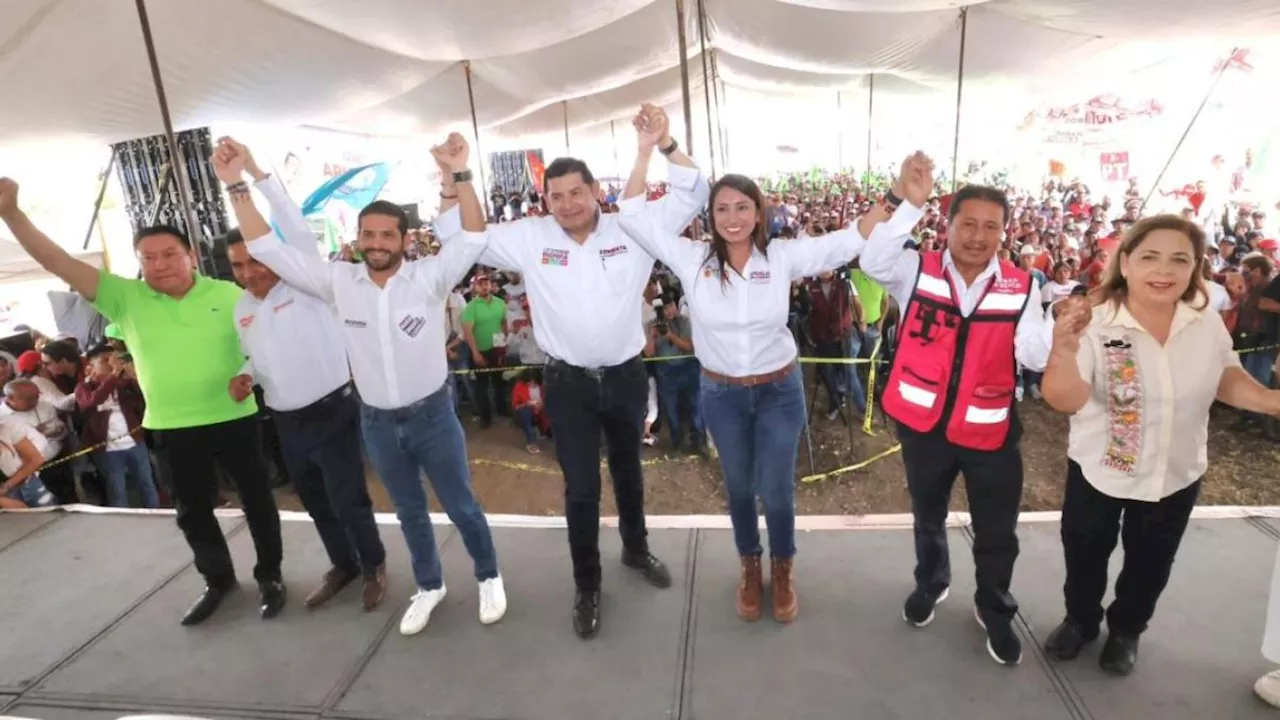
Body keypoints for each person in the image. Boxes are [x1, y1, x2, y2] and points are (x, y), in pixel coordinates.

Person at [619, 114, 931, 623]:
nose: (732, 217)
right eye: (722, 208)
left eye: (743, 207)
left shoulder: (782, 257)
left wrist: (897, 195)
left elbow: (850, 239)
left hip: (778, 392)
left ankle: (783, 569)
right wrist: (648, 148)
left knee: (778, 488)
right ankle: (750, 567)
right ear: (710, 215)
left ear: (759, 212)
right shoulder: (691, 258)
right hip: (721, 395)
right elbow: (632, 214)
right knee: (739, 487)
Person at [432, 103, 707, 640]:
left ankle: (636, 549)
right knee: (580, 488)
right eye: (554, 196)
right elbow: (459, 237)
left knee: (628, 473)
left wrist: (660, 146)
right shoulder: (532, 237)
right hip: (567, 384)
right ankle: (587, 584)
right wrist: (453, 177)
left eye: (575, 193)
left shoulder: (635, 227)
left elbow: (694, 192)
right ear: (546, 200)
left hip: (626, 375)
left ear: (595, 192)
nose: (565, 204)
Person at [232, 133, 507, 636]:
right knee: (408, 511)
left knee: (462, 504)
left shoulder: (430, 278)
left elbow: (472, 236)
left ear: (405, 239)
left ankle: (489, 575)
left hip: (432, 418)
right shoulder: (337, 283)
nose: (377, 243)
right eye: (369, 234)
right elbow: (267, 246)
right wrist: (238, 182)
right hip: (377, 422)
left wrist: (460, 173)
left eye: (387, 235)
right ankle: (430, 585)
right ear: (358, 239)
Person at [0, 176, 285, 626]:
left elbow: (264, 346)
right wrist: (12, 214)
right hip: (170, 425)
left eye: (169, 254)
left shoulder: (231, 295)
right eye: (148, 258)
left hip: (235, 419)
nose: (159, 264)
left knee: (258, 502)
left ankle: (271, 577)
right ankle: (218, 580)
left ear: (190, 254)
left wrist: (248, 375)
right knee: (191, 512)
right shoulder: (126, 298)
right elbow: (57, 261)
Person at [1040, 215, 1280, 676]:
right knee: (1085, 554)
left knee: (1150, 563)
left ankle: (1127, 629)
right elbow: (1064, 398)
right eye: (1150, 256)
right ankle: (1081, 622)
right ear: (1125, 263)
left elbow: (1225, 375)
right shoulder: (1096, 320)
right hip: (1099, 471)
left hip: (1176, 471)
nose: (1163, 269)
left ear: (1195, 268)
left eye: (1180, 259)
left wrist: (1269, 401)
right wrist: (1063, 351)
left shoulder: (1205, 323)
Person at [861, 182, 1054, 666]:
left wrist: (1060, 331)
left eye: (991, 226)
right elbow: (872, 259)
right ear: (946, 226)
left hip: (991, 431)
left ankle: (994, 608)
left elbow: (1033, 354)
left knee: (997, 532)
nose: (977, 236)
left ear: (1004, 233)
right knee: (928, 516)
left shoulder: (1023, 285)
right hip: (923, 428)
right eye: (967, 223)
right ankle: (931, 582)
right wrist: (908, 202)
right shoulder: (915, 269)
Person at [214, 138, 389, 613]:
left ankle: (373, 564)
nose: (249, 273)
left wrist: (250, 172)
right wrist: (245, 375)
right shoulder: (243, 308)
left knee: (349, 498)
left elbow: (290, 220)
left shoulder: (307, 283)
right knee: (314, 500)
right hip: (285, 420)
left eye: (255, 260)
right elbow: (259, 354)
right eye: (238, 267)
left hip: (333, 410)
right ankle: (343, 564)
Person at [75, 343, 158, 508]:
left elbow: (145, 398)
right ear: (90, 367)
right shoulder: (83, 388)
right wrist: (113, 375)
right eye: (105, 361)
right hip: (107, 449)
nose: (112, 364)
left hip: (135, 443)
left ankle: (155, 513)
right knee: (117, 490)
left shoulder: (124, 384)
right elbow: (92, 401)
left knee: (147, 484)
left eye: (114, 360)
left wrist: (132, 375)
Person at [643, 293, 702, 453]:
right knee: (671, 410)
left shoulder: (684, 321)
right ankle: (677, 442)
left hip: (688, 368)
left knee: (695, 406)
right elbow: (648, 354)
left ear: (675, 306)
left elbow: (689, 347)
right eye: (663, 309)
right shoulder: (650, 325)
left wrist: (670, 335)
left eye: (671, 306)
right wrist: (652, 337)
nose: (668, 311)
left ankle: (698, 442)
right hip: (665, 372)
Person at [461, 273, 508, 428]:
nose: (485, 286)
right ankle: (485, 417)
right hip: (480, 350)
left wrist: (503, 344)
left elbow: (503, 323)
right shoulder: (471, 307)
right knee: (481, 386)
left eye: (487, 283)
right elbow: (468, 331)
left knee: (498, 381)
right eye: (481, 283)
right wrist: (475, 353)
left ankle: (502, 409)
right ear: (475, 287)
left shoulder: (500, 303)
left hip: (497, 348)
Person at [0, 417, 54, 509]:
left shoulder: (7, 428)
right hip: (4, 498)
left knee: (53, 517)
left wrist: (7, 486)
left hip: (29, 484)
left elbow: (36, 459)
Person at [510, 370, 549, 454]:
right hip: (525, 411)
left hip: (540, 410)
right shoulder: (519, 386)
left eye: (533, 382)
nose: (531, 384)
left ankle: (545, 430)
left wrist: (543, 403)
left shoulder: (543, 385)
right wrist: (526, 404)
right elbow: (515, 406)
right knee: (525, 412)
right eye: (529, 382)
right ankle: (531, 442)